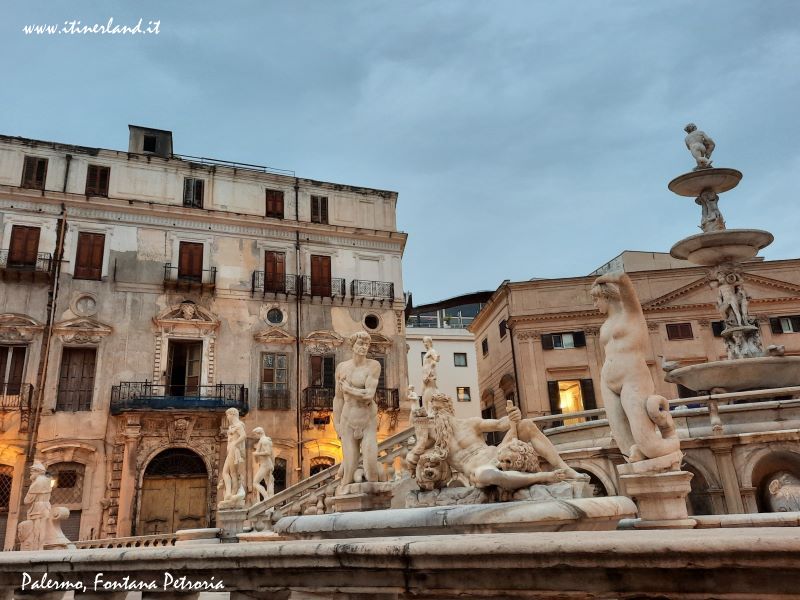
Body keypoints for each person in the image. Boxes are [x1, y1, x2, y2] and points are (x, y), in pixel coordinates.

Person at [409, 394, 584, 491]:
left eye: (439, 409)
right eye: (435, 411)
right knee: (489, 475)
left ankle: (565, 469)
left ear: (449, 409)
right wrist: (421, 438)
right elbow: (412, 460)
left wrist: (513, 416)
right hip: (479, 470)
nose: (438, 415)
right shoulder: (438, 439)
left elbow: (500, 424)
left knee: (526, 425)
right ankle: (543, 477)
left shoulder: (471, 423)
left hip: (498, 454)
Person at [591, 271, 680, 462]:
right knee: (626, 447)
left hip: (632, 377)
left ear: (606, 296)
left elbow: (624, 282)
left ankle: (670, 434)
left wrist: (605, 279)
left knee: (651, 446)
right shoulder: (604, 325)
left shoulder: (631, 314)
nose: (594, 304)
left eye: (596, 299)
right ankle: (638, 461)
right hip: (608, 381)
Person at [333, 331, 382, 486]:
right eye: (361, 344)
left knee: (371, 467)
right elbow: (338, 398)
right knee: (348, 471)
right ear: (352, 346)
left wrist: (349, 390)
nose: (364, 347)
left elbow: (369, 394)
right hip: (347, 418)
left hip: (367, 419)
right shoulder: (342, 367)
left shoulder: (373, 366)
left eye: (367, 345)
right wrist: (337, 424)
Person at [220, 407, 247, 507]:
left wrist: (235, 444)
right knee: (225, 472)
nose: (227, 417)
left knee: (233, 473)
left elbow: (244, 435)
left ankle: (232, 495)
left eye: (228, 415)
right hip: (230, 450)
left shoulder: (239, 425)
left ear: (232, 414)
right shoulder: (232, 426)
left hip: (234, 450)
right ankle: (228, 493)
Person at [252, 427, 274, 502]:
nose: (255, 436)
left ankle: (266, 497)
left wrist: (257, 453)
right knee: (268, 483)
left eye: (255, 434)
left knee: (255, 482)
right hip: (266, 464)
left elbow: (268, 452)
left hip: (265, 465)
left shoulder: (264, 441)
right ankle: (270, 500)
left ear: (259, 433)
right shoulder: (263, 440)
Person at [420, 336, 440, 414]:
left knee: (430, 390)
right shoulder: (427, 352)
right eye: (424, 342)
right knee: (423, 392)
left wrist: (434, 363)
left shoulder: (432, 351)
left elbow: (436, 359)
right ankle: (427, 410)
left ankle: (431, 410)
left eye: (426, 342)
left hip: (429, 373)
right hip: (425, 373)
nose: (425, 344)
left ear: (430, 342)